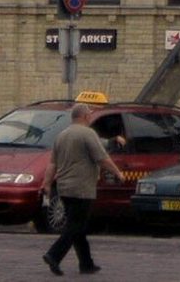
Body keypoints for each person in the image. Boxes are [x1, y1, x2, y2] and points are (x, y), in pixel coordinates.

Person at [43, 102, 121, 276]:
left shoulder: (61, 135)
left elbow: (52, 164)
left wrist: (47, 184)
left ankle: (86, 264)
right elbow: (102, 158)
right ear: (85, 116)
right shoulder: (88, 134)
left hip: (64, 188)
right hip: (82, 188)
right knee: (76, 226)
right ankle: (54, 254)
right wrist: (118, 173)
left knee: (78, 226)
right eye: (89, 114)